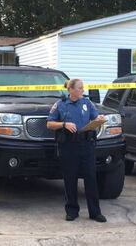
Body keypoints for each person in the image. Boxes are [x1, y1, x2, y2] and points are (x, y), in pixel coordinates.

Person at [47, 79, 107, 222]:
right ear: (71, 90)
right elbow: (49, 124)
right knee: (70, 178)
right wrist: (64, 124)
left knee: (91, 178)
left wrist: (99, 119)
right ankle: (72, 211)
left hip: (86, 144)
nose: (82, 90)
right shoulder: (60, 104)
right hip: (69, 145)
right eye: (80, 88)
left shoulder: (87, 103)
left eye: (82, 88)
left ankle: (95, 212)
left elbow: (95, 117)